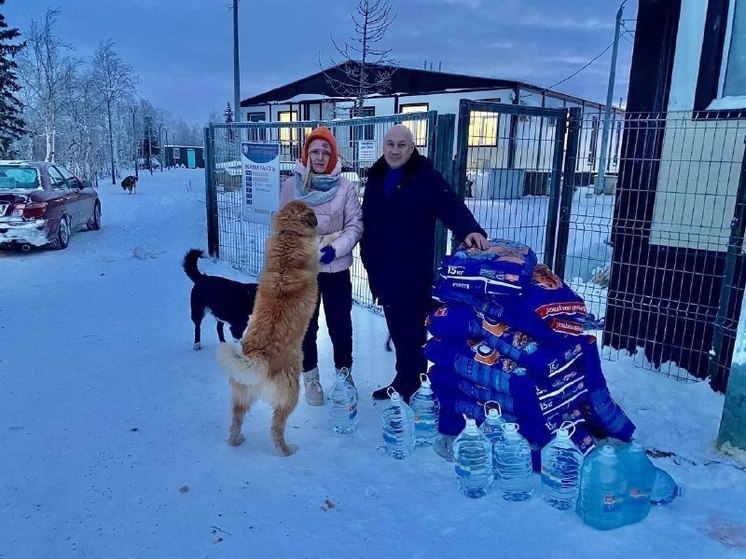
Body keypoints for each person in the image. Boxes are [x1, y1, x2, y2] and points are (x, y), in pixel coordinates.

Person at [360, 124, 488, 402]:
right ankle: (407, 379)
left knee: (411, 330)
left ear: (412, 147)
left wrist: (469, 229)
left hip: (411, 270)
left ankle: (415, 383)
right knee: (397, 327)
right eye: (390, 144)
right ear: (384, 146)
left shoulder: (425, 177)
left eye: (401, 145)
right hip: (381, 268)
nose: (394, 150)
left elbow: (450, 205)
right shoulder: (376, 175)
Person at [279, 127, 363, 406]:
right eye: (315, 151)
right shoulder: (292, 187)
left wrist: (333, 249)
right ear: (306, 153)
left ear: (333, 155)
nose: (320, 156)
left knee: (340, 324)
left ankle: (344, 373)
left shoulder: (346, 187)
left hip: (335, 269)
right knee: (307, 326)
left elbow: (354, 225)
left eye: (326, 151)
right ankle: (311, 378)